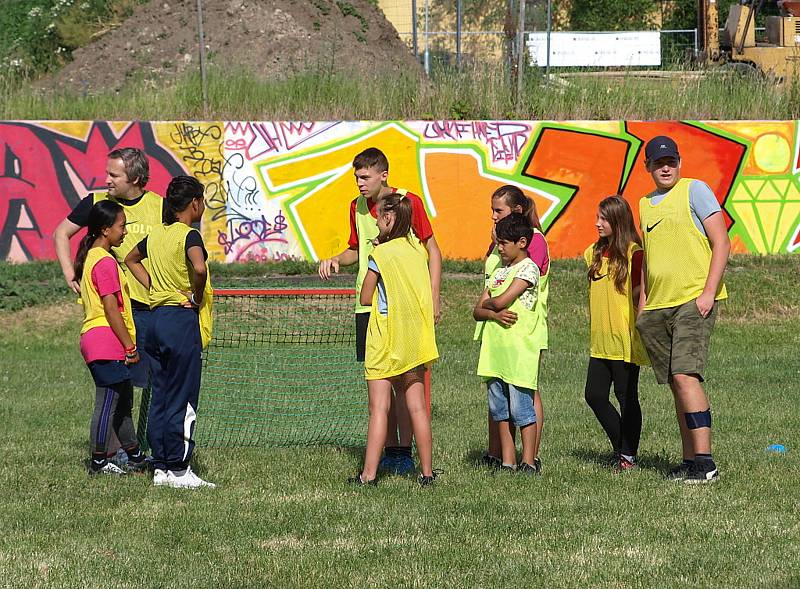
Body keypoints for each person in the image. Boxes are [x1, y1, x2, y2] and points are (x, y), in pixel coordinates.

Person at [319, 147, 442, 475]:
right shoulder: (356, 207)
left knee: (404, 383)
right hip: (368, 307)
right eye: (356, 177)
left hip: (404, 310)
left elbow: (432, 250)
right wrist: (335, 259)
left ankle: (402, 451)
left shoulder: (406, 203)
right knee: (380, 383)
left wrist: (433, 297)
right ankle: (391, 450)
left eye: (365, 177)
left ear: (383, 175)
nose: (359, 183)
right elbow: (354, 250)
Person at [54, 147, 164, 449]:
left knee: (150, 385)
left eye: (114, 175)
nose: (107, 180)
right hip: (113, 314)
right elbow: (61, 233)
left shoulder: (160, 207)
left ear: (136, 178)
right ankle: (112, 454)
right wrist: (69, 272)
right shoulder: (97, 203)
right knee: (117, 389)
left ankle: (146, 447)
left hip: (151, 309)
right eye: (107, 173)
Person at [635, 136, 730, 484]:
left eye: (671, 161)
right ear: (647, 167)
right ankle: (689, 460)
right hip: (658, 308)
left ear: (679, 163)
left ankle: (706, 463)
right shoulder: (644, 204)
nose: (665, 167)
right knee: (676, 384)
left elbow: (722, 241)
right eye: (659, 163)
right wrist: (643, 309)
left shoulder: (696, 190)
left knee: (685, 376)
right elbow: (648, 259)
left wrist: (707, 294)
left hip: (693, 300)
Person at [125, 175, 215, 489]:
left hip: (155, 321)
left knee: (161, 395)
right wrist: (197, 295)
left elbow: (130, 258)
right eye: (202, 201)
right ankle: (180, 468)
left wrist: (155, 287)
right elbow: (200, 268)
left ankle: (161, 465)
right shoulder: (189, 236)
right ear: (194, 204)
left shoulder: (155, 235)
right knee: (184, 395)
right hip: (180, 322)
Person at [348, 193, 439, 486]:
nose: (376, 225)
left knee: (379, 409)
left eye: (378, 220)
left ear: (389, 219)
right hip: (413, 339)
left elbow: (365, 296)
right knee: (417, 408)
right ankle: (426, 473)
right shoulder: (417, 250)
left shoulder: (381, 256)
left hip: (385, 340)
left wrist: (377, 255)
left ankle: (369, 475)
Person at [476, 185, 549, 474]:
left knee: (524, 399)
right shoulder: (499, 254)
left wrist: (490, 305)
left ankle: (530, 459)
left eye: (499, 211)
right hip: (497, 340)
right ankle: (503, 457)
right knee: (499, 403)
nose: (493, 217)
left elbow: (502, 297)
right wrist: (490, 311)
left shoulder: (532, 249)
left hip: (524, 336)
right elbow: (480, 305)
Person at [74, 200, 149, 475]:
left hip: (105, 339)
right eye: (122, 226)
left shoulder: (94, 256)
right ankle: (99, 461)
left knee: (123, 403)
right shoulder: (103, 261)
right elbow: (110, 307)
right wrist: (130, 345)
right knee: (107, 403)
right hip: (105, 339)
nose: (126, 231)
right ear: (105, 230)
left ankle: (136, 456)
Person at [583, 196, 648, 471]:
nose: (598, 223)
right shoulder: (592, 253)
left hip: (625, 342)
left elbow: (641, 294)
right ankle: (623, 446)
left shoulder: (635, 254)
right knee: (594, 395)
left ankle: (627, 455)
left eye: (604, 219)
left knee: (626, 398)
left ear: (618, 221)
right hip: (600, 341)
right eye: (597, 217)